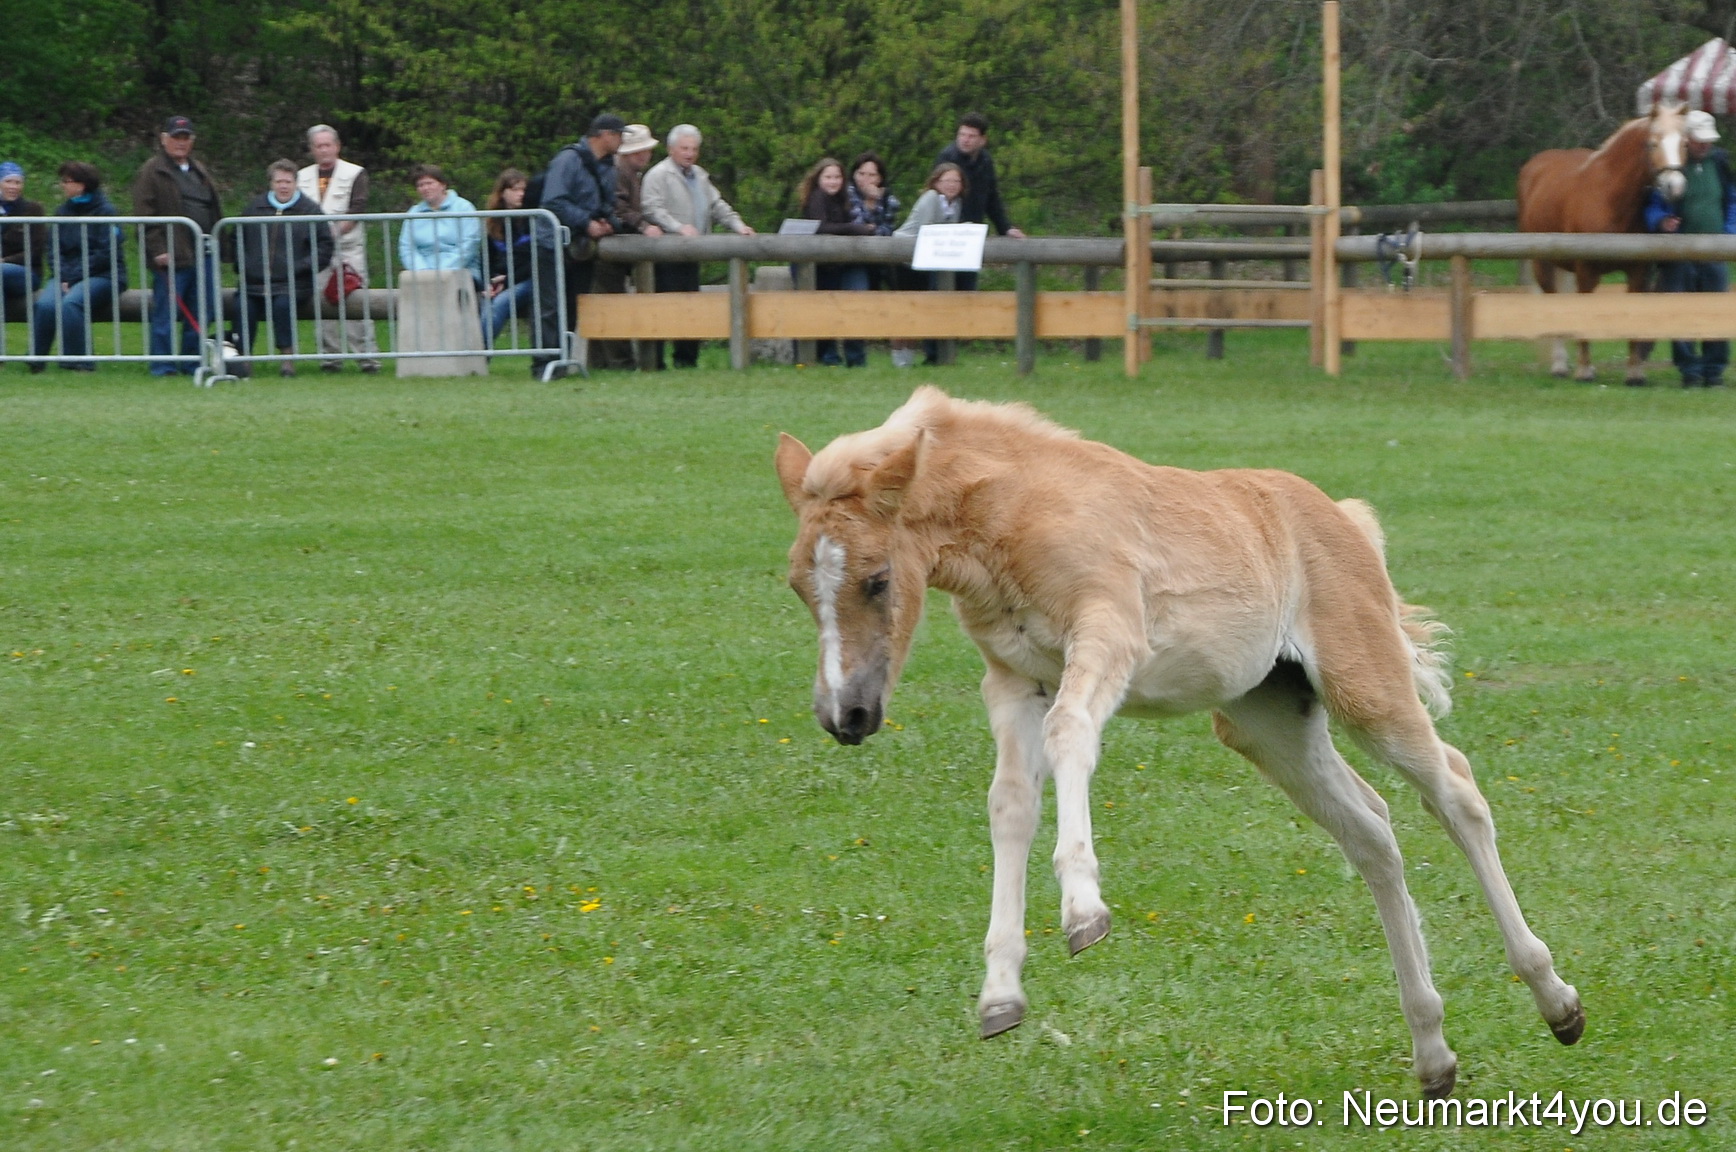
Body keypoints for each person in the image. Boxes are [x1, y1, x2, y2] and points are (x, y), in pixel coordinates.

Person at [640, 124, 757, 368]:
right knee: (664, 307)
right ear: (671, 149)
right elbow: (652, 208)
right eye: (684, 148)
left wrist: (738, 225)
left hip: (693, 251)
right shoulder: (658, 175)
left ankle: (687, 359)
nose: (689, 154)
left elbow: (717, 205)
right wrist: (678, 227)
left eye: (694, 149)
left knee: (691, 306)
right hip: (666, 253)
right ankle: (655, 362)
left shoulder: (700, 175)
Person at [526, 113, 624, 377]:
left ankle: (563, 360)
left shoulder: (608, 166)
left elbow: (606, 203)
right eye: (619, 135)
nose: (621, 141)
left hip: (580, 246)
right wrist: (586, 222)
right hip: (552, 242)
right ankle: (544, 365)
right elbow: (552, 201)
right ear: (605, 135)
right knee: (550, 306)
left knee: (571, 304)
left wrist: (608, 222)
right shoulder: (567, 160)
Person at [1645, 108, 1736, 388]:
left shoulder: (1719, 164)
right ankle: (1690, 371)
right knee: (1681, 312)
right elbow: (1652, 206)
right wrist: (1661, 222)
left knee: (1716, 313)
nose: (1705, 144)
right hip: (1680, 252)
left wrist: (1729, 234)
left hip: (1715, 251)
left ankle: (1714, 370)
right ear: (1687, 140)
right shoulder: (1672, 166)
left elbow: (1732, 200)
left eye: (1708, 140)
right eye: (1699, 140)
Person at [132, 115, 224, 375]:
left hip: (203, 251)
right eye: (176, 138)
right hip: (172, 255)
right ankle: (162, 365)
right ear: (164, 139)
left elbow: (212, 207)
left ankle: (192, 362)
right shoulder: (152, 170)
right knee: (166, 312)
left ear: (192, 141)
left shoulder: (198, 169)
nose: (181, 143)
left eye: (185, 138)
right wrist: (157, 249)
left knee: (201, 311)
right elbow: (144, 214)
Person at [234, 159, 333, 377]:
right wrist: (243, 265)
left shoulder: (310, 210)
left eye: (288, 181)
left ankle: (287, 358)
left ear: (296, 183)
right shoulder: (254, 208)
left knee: (282, 306)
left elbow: (325, 246)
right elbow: (237, 239)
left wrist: (302, 267)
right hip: (254, 283)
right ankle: (243, 359)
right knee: (243, 307)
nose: (283, 186)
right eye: (279, 181)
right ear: (271, 183)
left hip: (294, 283)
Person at [296, 124, 379, 373]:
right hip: (314, 250)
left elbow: (357, 208)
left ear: (337, 146)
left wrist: (331, 234)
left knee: (355, 300)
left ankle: (368, 358)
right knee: (322, 301)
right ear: (311, 149)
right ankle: (330, 358)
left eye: (328, 145)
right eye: (318, 146)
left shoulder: (356, 173)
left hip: (348, 247)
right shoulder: (301, 176)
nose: (324, 150)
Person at [28, 162, 124, 372]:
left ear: (82, 184)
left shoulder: (107, 212)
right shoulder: (62, 211)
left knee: (72, 302)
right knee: (45, 305)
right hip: (67, 276)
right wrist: (63, 275)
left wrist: (73, 277)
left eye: (67, 181)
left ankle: (78, 361)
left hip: (104, 275)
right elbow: (53, 250)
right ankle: (35, 359)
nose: (63, 186)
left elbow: (105, 253)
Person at [591, 122, 661, 370]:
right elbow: (619, 208)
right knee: (612, 304)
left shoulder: (628, 173)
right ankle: (621, 362)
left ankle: (602, 362)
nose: (646, 155)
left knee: (605, 303)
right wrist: (642, 226)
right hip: (611, 248)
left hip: (614, 246)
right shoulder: (619, 172)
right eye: (641, 150)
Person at [797, 157, 875, 367]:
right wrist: (855, 229)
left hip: (837, 263)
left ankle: (851, 359)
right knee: (822, 309)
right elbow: (820, 227)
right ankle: (827, 357)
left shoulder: (843, 200)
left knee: (844, 307)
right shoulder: (817, 198)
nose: (833, 181)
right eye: (828, 177)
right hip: (818, 266)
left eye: (837, 177)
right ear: (819, 179)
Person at [935, 112, 1025, 291]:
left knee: (968, 289)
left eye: (971, 136)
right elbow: (936, 196)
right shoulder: (947, 158)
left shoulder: (985, 161)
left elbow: (991, 198)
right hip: (947, 238)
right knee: (945, 288)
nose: (965, 140)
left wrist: (1005, 228)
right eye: (962, 135)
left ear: (982, 140)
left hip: (972, 234)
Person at [893, 162, 969, 367]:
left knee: (923, 306)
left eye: (956, 181)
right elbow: (928, 229)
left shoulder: (956, 203)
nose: (952, 185)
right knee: (906, 307)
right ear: (936, 182)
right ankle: (901, 359)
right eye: (947, 180)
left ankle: (915, 356)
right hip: (905, 257)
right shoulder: (931, 198)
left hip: (926, 259)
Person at [398, 164, 481, 285]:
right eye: (420, 185)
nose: (425, 188)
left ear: (443, 185)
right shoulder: (413, 212)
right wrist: (422, 270)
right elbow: (406, 247)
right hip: (422, 273)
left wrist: (442, 271)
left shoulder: (464, 207)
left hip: (460, 269)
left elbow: (469, 244)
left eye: (429, 183)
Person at [482, 168, 537, 345]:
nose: (520, 194)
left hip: (528, 280)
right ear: (502, 193)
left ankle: (479, 355)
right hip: (501, 281)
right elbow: (486, 257)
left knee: (500, 304)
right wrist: (490, 281)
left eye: (523, 190)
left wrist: (507, 280)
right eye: (514, 190)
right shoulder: (493, 222)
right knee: (484, 305)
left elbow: (534, 261)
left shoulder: (534, 219)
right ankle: (475, 361)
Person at [1, 161, 46, 326]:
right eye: (8, 181)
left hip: (27, 272)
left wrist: (5, 261)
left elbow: (36, 250)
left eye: (17, 182)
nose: (13, 186)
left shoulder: (33, 209)